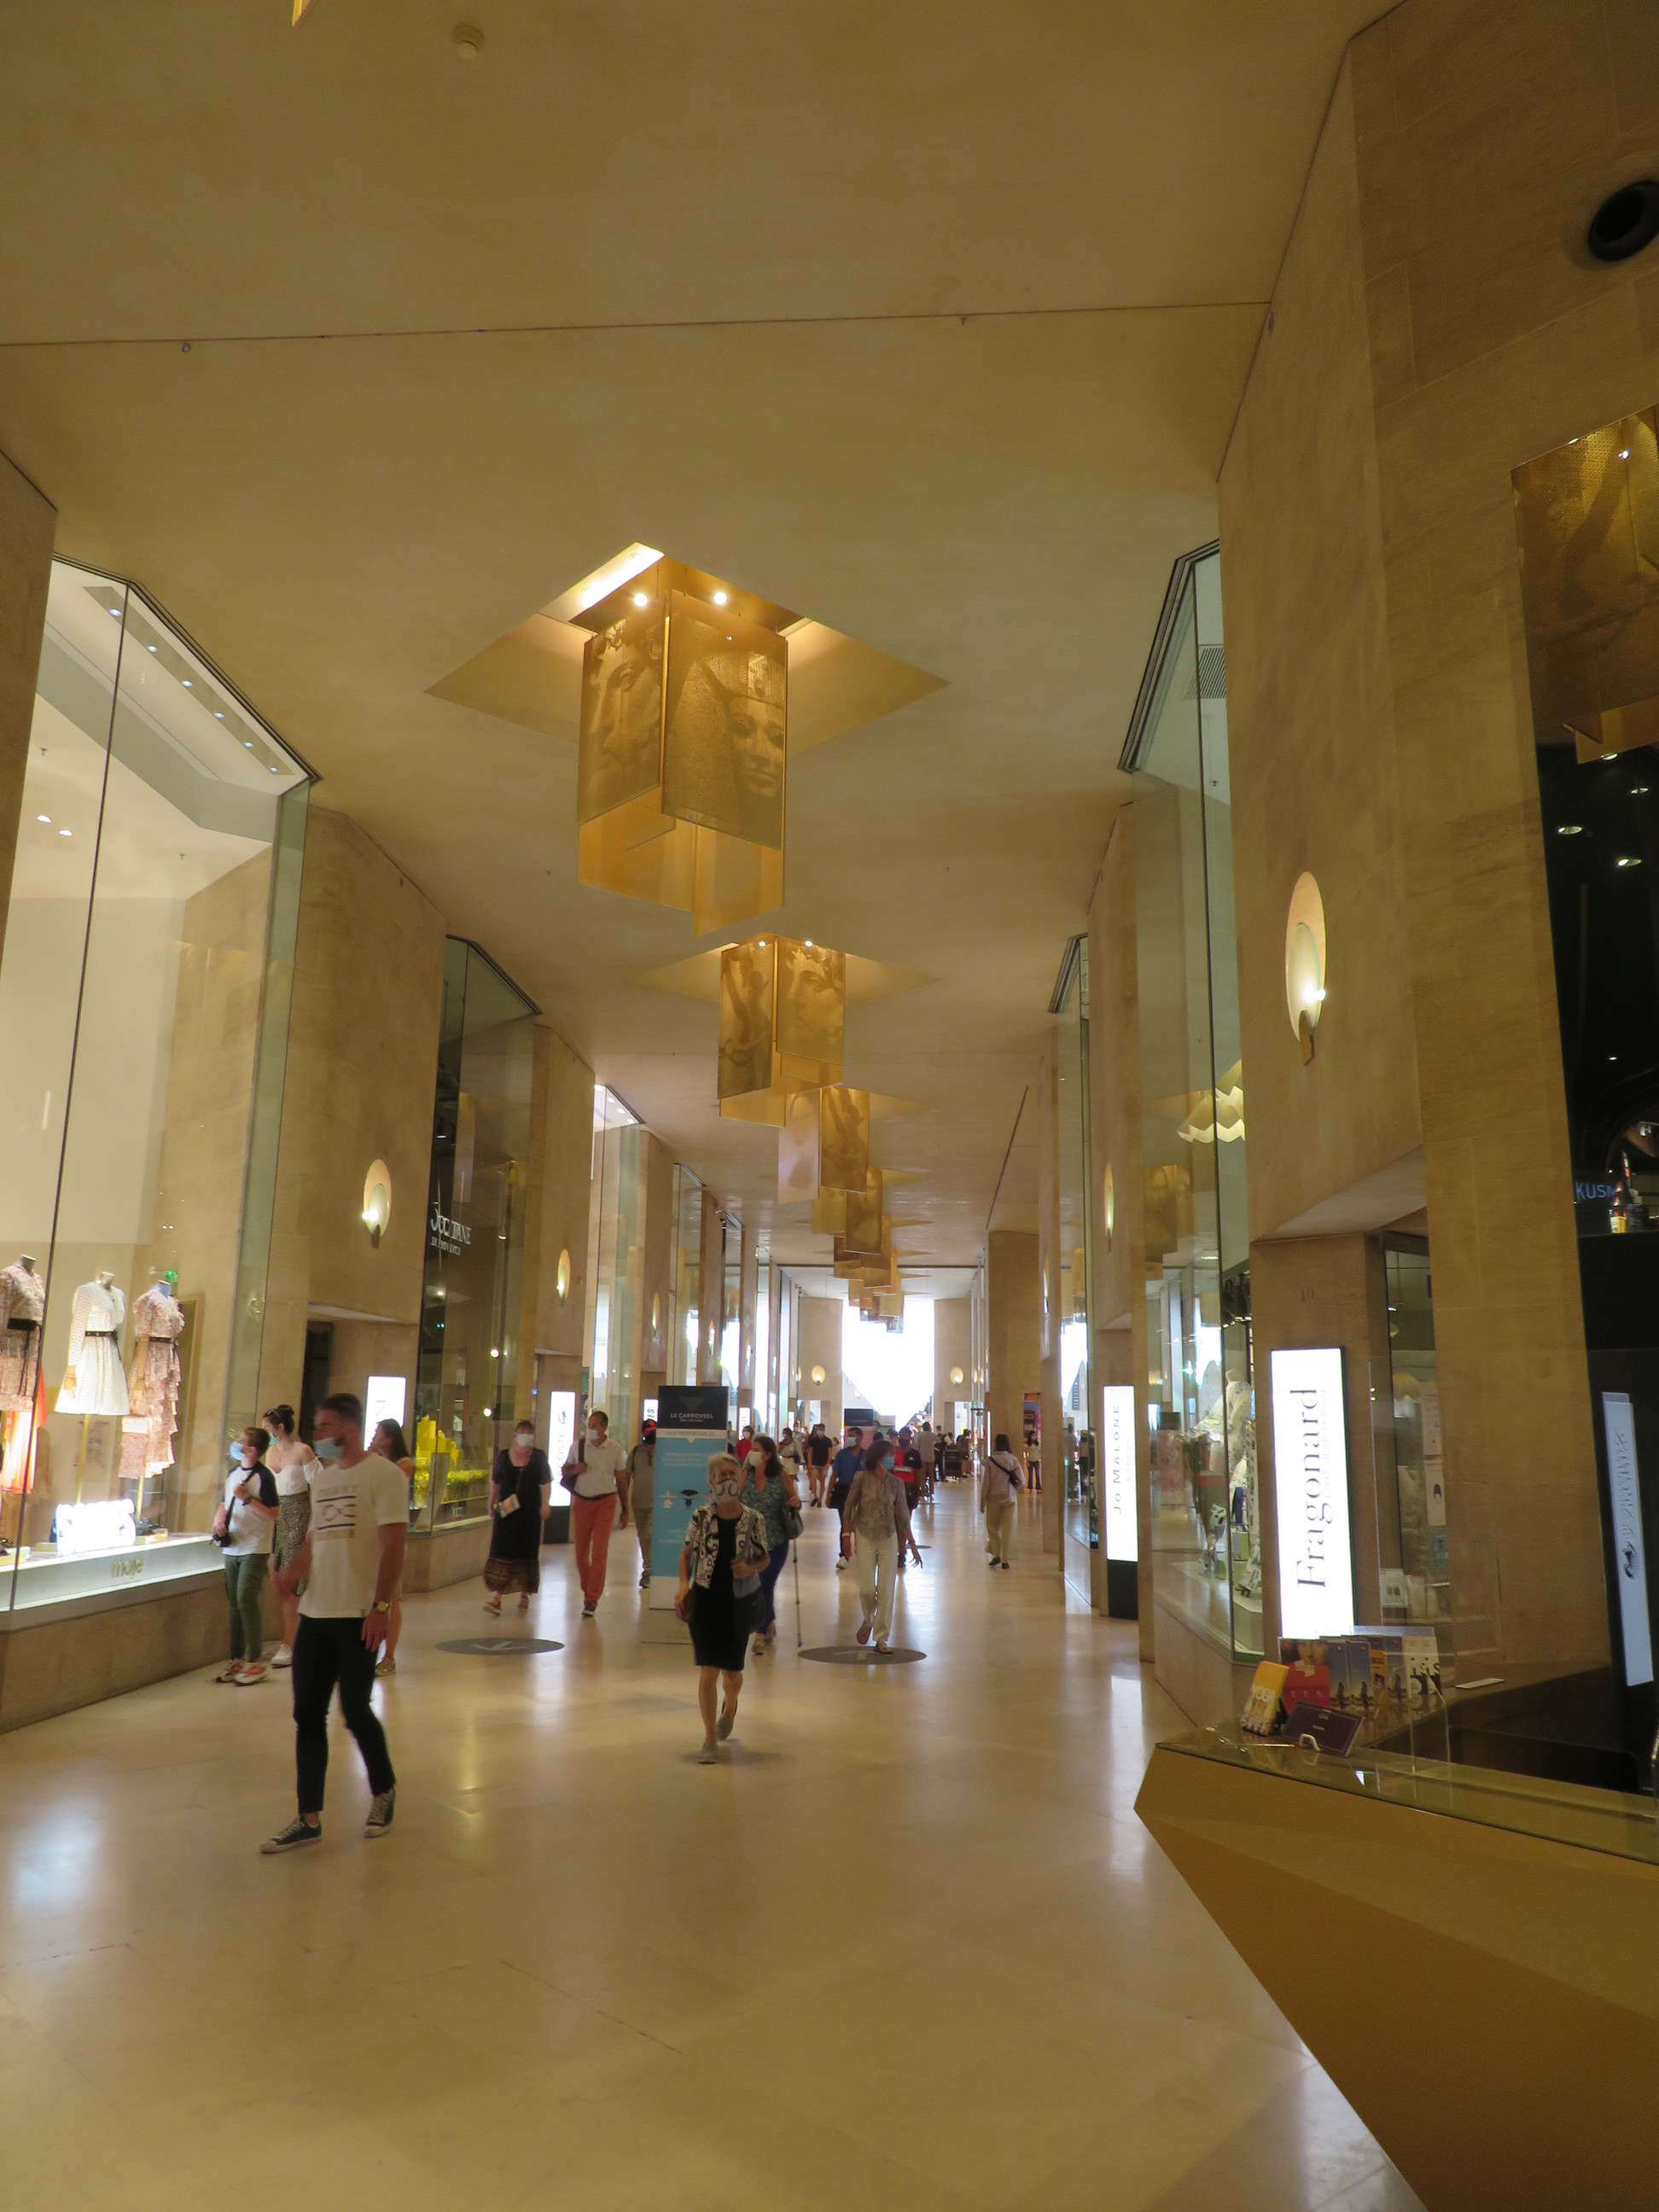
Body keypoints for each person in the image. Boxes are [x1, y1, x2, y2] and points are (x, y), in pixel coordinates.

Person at [261, 1392, 405, 1854]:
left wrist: (381, 1608)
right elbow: (314, 1541)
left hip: (358, 1615)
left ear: (350, 1429)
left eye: (325, 1427)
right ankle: (309, 1818)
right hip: (315, 1615)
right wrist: (290, 1575)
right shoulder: (322, 1481)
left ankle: (384, 1790)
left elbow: (395, 1547)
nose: (318, 1435)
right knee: (307, 1714)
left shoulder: (384, 1477)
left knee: (356, 1711)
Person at [675, 1454, 770, 1763]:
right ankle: (709, 1739)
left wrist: (751, 1569)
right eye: (721, 1475)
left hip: (737, 1603)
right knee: (708, 1670)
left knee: (732, 1673)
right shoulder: (702, 1517)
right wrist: (683, 1585)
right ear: (711, 1481)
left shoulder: (753, 1519)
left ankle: (730, 1706)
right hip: (705, 1600)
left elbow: (765, 1558)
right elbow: (685, 1556)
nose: (727, 1479)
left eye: (732, 1473)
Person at [842, 1440, 920, 1655]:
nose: (892, 1458)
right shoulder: (861, 1478)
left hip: (888, 1537)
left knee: (887, 1589)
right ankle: (868, 1619)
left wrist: (912, 1545)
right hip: (865, 1535)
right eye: (890, 1454)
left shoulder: (897, 1483)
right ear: (878, 1456)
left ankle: (881, 1638)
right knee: (867, 1587)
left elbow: (903, 1516)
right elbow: (848, 1508)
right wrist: (846, 1536)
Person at [214, 1425, 277, 1685]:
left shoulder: (264, 1476)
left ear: (252, 1449)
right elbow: (223, 1504)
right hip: (232, 1545)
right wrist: (218, 1522)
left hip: (254, 1546)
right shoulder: (232, 1473)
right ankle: (236, 1658)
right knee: (234, 1602)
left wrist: (248, 1499)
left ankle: (255, 1660)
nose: (237, 1444)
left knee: (245, 1598)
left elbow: (273, 1514)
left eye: (241, 1441)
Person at [263, 1403, 317, 1669]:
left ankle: (291, 1642)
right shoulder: (271, 1453)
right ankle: (290, 1637)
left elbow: (318, 1487)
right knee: (277, 1574)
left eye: (268, 1429)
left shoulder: (302, 1451)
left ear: (280, 1428)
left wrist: (313, 1524)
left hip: (299, 1513)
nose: (266, 1433)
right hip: (278, 1515)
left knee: (292, 1576)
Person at [485, 1416, 551, 1617]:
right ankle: (497, 1596)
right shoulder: (504, 1456)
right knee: (502, 1550)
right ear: (515, 1435)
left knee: (526, 1551)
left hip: (529, 1513)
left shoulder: (539, 1457)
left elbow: (545, 1482)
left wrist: (545, 1503)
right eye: (522, 1432)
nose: (525, 1436)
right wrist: (491, 1502)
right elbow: (496, 1481)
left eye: (528, 1432)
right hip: (506, 1511)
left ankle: (524, 1593)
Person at [563, 1406, 626, 1617]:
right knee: (580, 1553)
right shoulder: (578, 1446)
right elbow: (565, 1470)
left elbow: (622, 1480)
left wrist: (625, 1508)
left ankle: (592, 1599)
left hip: (605, 1503)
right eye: (588, 1425)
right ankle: (588, 1588)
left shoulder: (615, 1449)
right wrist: (575, 1469)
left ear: (604, 1428)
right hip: (582, 1503)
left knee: (599, 1552)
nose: (590, 1429)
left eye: (594, 1426)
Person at [739, 1434, 800, 1656]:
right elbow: (736, 1500)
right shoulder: (746, 1474)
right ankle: (769, 1619)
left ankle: (760, 1633)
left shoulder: (780, 1475)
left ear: (767, 1454)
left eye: (756, 1450)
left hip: (777, 1539)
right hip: (753, 1541)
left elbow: (794, 1501)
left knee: (765, 1584)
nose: (752, 1453)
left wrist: (794, 1503)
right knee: (759, 1586)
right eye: (752, 1449)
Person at [370, 1417, 415, 1674]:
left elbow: (390, 1482)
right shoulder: (375, 1461)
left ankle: (389, 1656)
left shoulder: (403, 1464)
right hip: (371, 1534)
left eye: (378, 1432)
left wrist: (373, 1458)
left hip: (392, 1536)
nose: (374, 1436)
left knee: (391, 1598)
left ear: (389, 1437)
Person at [982, 1431, 1024, 1570]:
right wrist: (1013, 1489)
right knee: (1008, 1529)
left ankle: (996, 1554)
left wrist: (982, 1501)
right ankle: (1005, 1559)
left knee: (992, 1527)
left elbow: (986, 1483)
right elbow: (1022, 1481)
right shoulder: (1013, 1460)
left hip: (993, 1499)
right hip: (1010, 1499)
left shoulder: (990, 1461)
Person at [622, 1418, 656, 1589]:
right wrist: (624, 1504)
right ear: (643, 1432)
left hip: (657, 1503)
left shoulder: (663, 1451)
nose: (652, 1434)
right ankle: (648, 1567)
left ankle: (649, 1570)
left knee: (648, 1534)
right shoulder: (635, 1452)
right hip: (638, 1502)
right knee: (643, 1537)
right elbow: (626, 1477)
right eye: (649, 1431)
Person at [827, 1423, 862, 1569]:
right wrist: (828, 1494)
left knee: (861, 1524)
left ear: (860, 1438)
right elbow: (834, 1475)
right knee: (844, 1523)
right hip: (843, 1491)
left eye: (853, 1436)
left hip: (861, 1493)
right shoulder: (841, 1455)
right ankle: (844, 1554)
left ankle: (861, 1552)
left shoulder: (866, 1455)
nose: (850, 1438)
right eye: (849, 1435)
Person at [805, 1421, 832, 1507]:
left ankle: (820, 1499)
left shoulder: (828, 1441)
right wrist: (809, 1462)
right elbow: (810, 1451)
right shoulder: (813, 1440)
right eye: (818, 1430)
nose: (819, 1431)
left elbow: (830, 1453)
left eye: (821, 1429)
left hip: (823, 1465)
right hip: (814, 1463)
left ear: (824, 1430)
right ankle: (815, 1496)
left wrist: (828, 1463)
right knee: (813, 1480)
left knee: (822, 1482)